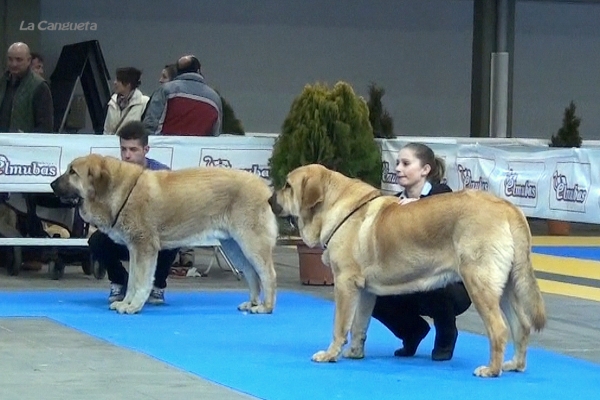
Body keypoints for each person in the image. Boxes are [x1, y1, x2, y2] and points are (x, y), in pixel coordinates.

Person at [371, 142, 472, 361]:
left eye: (406, 163)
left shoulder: (443, 196)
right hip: (408, 281)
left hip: (451, 285)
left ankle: (446, 334)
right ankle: (412, 331)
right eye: (397, 163)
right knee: (371, 290)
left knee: (432, 277)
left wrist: (416, 208)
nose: (398, 168)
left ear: (425, 170)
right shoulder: (394, 202)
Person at [88, 120, 179, 304]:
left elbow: (174, 210)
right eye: (123, 149)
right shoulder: (111, 175)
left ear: (146, 149)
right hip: (124, 235)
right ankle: (120, 281)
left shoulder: (163, 173)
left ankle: (157, 285)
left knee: (174, 238)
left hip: (154, 236)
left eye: (133, 149)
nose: (127, 155)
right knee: (96, 241)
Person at [142, 55, 222, 136]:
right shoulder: (214, 98)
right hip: (198, 148)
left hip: (168, 147)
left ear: (178, 71)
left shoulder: (166, 90)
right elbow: (215, 134)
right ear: (198, 71)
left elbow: (151, 126)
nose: (160, 80)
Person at [0, 42, 53, 133]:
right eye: (10, 59)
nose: (14, 64)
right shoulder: (3, 82)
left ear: (28, 61)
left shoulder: (39, 86)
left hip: (24, 145)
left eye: (19, 60)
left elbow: (45, 128)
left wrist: (26, 139)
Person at [103, 67, 149, 135]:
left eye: (118, 80)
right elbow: (107, 130)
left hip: (131, 143)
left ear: (128, 84)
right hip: (111, 144)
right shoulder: (112, 102)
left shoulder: (144, 102)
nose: (115, 82)